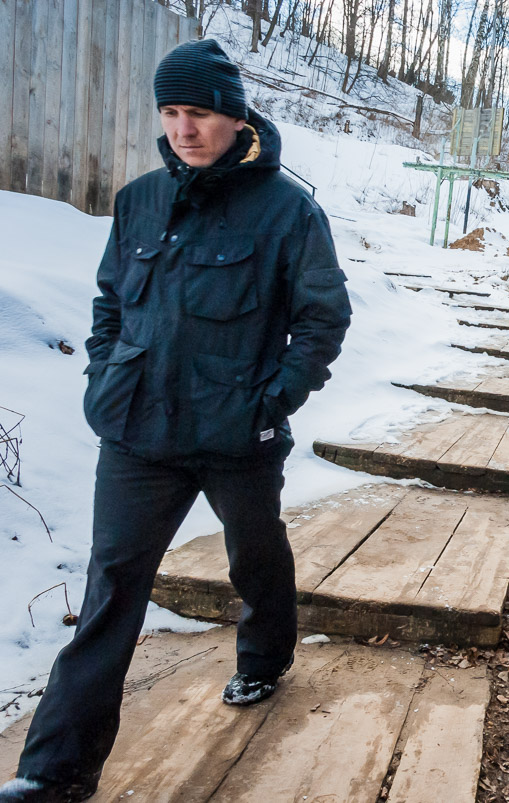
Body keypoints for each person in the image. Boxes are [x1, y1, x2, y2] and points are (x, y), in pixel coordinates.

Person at [0, 39, 351, 803]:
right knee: (112, 585)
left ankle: (263, 655)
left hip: (237, 435)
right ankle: (53, 771)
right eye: (170, 112)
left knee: (255, 552)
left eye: (198, 113)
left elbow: (324, 319)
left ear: (233, 116)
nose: (183, 128)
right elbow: (109, 303)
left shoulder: (289, 211)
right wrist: (105, 372)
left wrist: (272, 401)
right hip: (138, 433)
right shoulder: (139, 200)